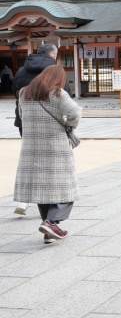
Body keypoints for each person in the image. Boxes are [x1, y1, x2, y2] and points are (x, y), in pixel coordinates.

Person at [14, 65, 81, 244]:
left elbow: (21, 116)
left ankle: (49, 231)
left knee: (42, 188)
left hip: (31, 147)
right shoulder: (57, 93)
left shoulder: (24, 93)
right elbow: (75, 112)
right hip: (55, 145)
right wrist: (70, 125)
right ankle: (51, 222)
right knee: (67, 187)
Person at [11, 43, 58, 216]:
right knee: (50, 164)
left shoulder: (21, 71)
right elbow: (64, 96)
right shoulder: (53, 70)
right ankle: (49, 202)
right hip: (49, 123)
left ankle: (23, 201)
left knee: (29, 161)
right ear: (53, 55)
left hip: (25, 122)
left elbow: (15, 94)